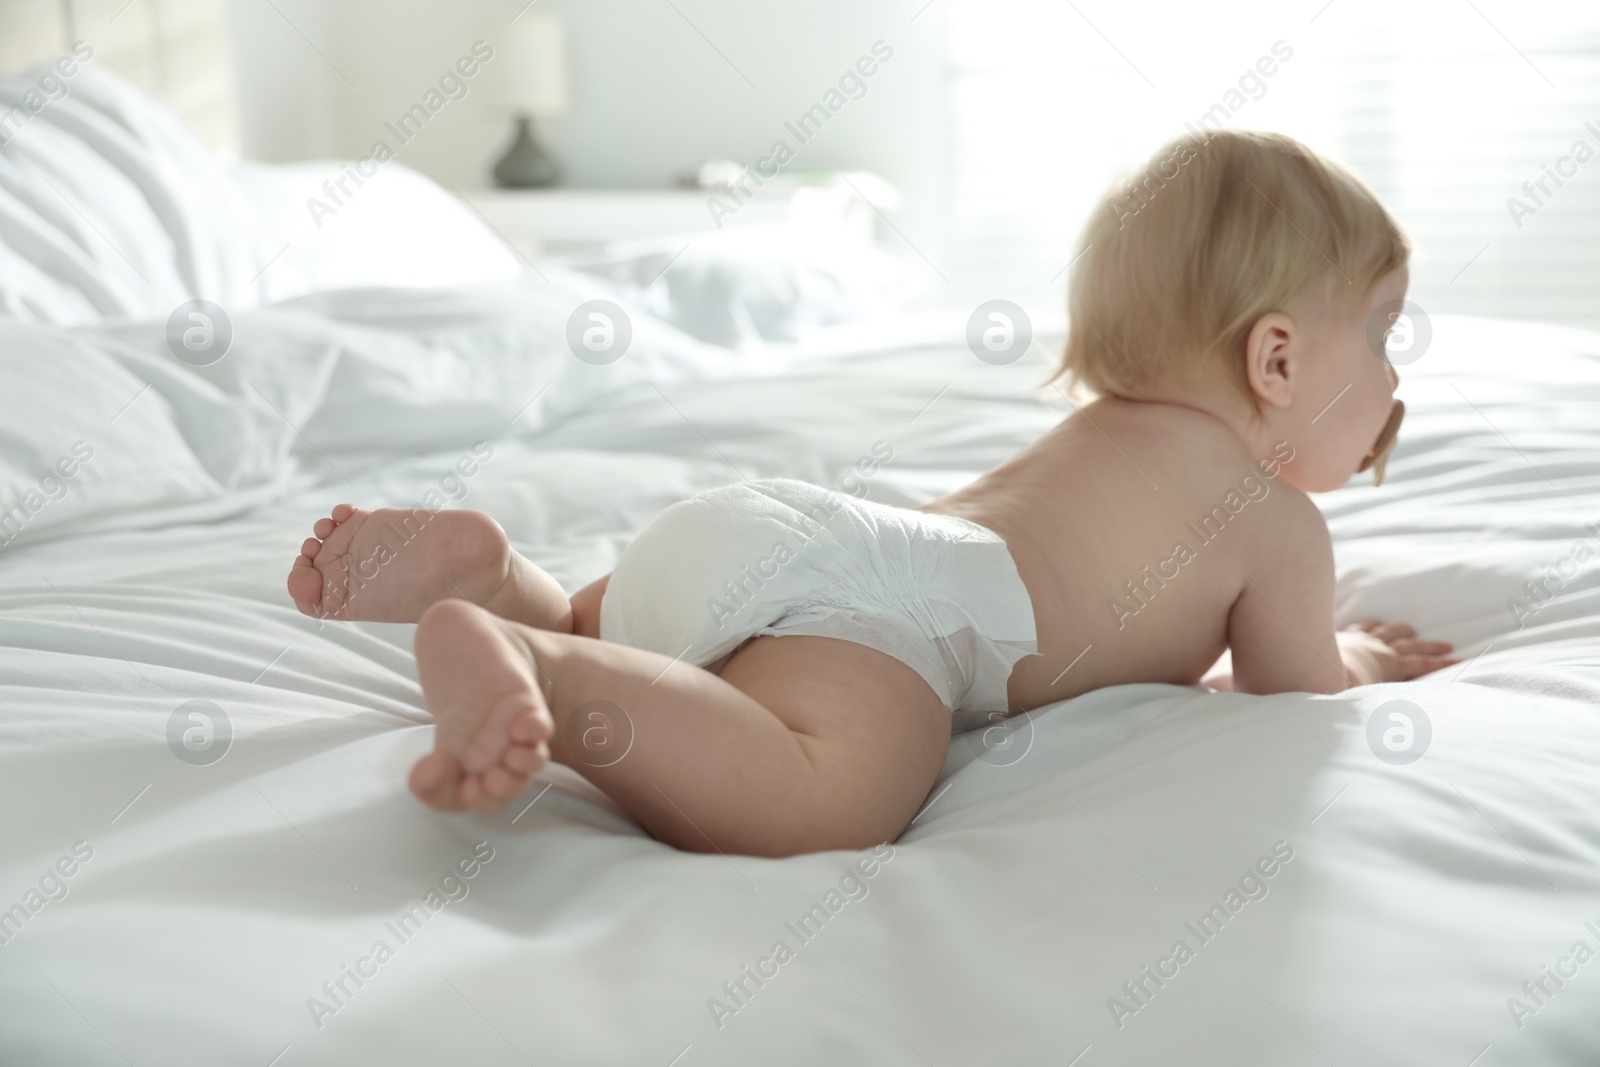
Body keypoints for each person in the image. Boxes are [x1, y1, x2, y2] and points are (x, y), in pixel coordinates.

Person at [286, 129, 1456, 858]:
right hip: (900, 622)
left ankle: (517, 591)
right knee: (827, 794)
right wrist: (1357, 652)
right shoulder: (1273, 521)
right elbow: (1293, 682)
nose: (1395, 375)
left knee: (665, 628)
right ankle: (543, 664)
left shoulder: (1095, 432)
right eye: (1385, 334)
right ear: (1279, 360)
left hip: (775, 530)